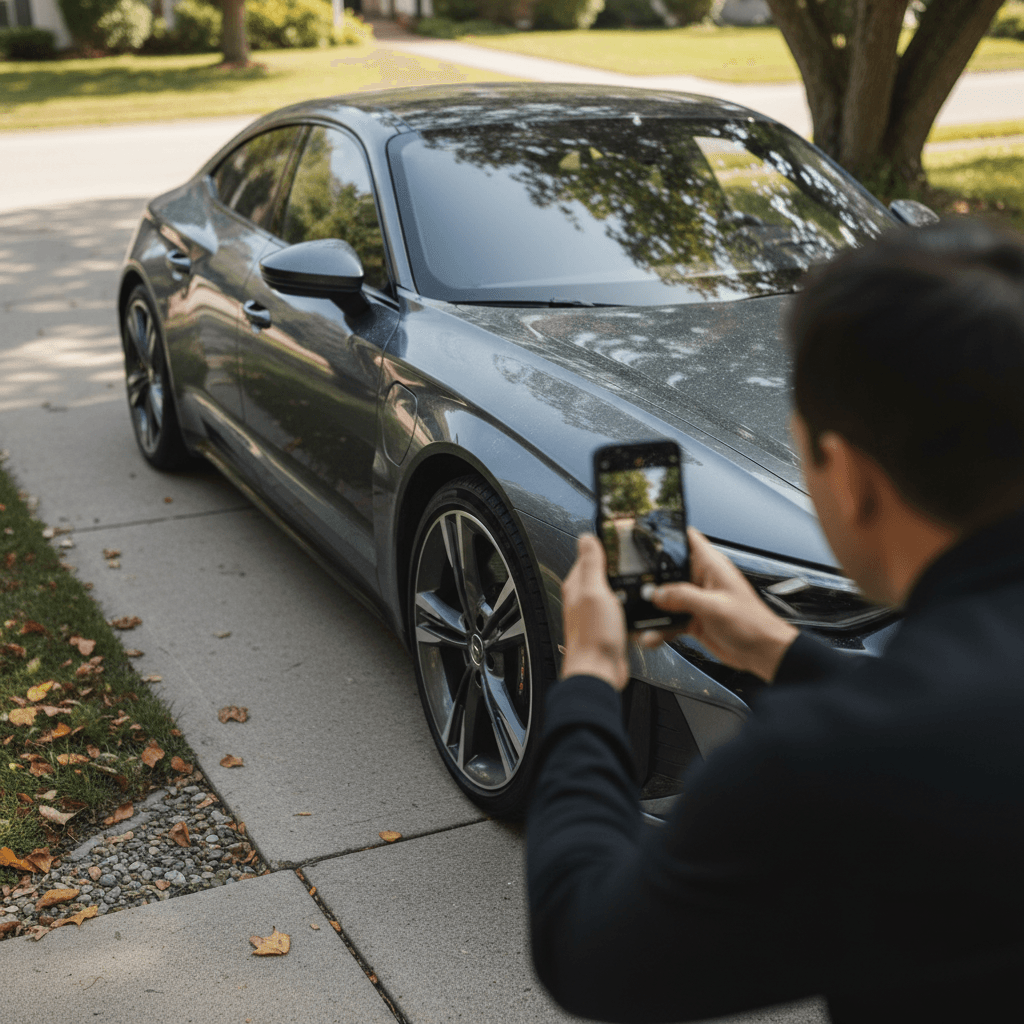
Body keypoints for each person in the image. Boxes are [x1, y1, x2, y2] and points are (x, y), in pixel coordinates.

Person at [526, 219, 1024, 1024]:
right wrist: (774, 649)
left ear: (853, 479)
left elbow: (588, 951)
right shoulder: (918, 723)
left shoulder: (824, 762)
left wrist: (588, 676)